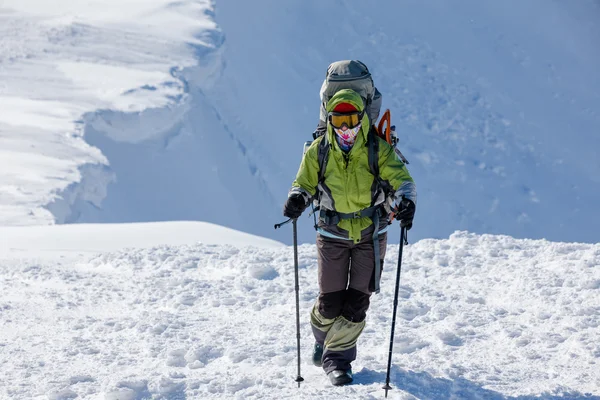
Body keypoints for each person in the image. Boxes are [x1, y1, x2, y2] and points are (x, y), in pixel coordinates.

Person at [283, 88, 417, 386]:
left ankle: (337, 362)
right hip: (332, 233)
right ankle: (323, 338)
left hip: (371, 234)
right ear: (329, 120)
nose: (346, 128)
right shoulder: (318, 150)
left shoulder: (377, 149)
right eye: (339, 120)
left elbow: (401, 180)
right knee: (330, 304)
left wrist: (407, 202)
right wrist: (296, 199)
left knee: (357, 302)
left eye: (353, 119)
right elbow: (303, 183)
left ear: (362, 118)